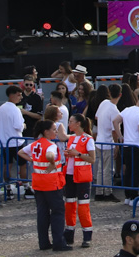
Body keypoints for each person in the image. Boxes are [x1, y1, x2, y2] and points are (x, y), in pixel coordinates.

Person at [18, 120, 72, 252]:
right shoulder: (51, 145)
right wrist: (52, 161)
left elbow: (21, 152)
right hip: (52, 183)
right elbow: (49, 155)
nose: (55, 131)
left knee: (42, 213)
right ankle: (59, 243)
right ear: (46, 132)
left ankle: (43, 243)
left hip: (38, 182)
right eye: (54, 129)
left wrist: (33, 160)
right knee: (58, 212)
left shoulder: (35, 144)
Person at [63, 114, 95, 248]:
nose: (69, 124)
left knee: (83, 207)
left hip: (82, 178)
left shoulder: (88, 139)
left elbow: (92, 159)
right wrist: (68, 154)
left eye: (71, 122)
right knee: (69, 206)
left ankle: (87, 236)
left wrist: (78, 154)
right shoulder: (71, 139)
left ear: (78, 124)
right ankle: (68, 236)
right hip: (70, 176)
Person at [94, 83, 122, 202]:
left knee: (101, 168)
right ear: (120, 95)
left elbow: (96, 117)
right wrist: (116, 146)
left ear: (109, 93)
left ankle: (99, 192)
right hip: (107, 142)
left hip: (99, 140)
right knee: (108, 169)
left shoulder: (104, 103)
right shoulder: (114, 110)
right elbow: (115, 131)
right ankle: (108, 192)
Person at [0, 84, 26, 198]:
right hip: (16, 141)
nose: (20, 97)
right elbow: (18, 126)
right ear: (12, 95)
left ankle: (8, 188)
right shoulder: (15, 109)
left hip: (4, 141)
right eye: (19, 95)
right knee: (23, 165)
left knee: (7, 164)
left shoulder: (1, 108)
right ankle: (26, 187)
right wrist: (24, 125)